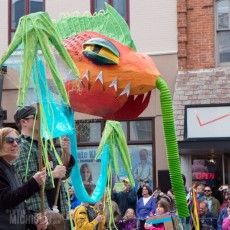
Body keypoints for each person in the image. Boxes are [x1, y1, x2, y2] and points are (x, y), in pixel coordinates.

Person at [14, 106, 75, 228]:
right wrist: (54, 174)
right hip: (39, 214)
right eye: (37, 117)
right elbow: (27, 180)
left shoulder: (46, 144)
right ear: (23, 122)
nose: (42, 120)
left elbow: (63, 175)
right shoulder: (21, 145)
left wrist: (67, 155)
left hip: (57, 209)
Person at [0, 127, 48, 230]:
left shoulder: (12, 169)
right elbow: (6, 200)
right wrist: (34, 183)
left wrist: (34, 222)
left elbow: (19, 207)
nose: (15, 144)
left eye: (18, 140)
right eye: (9, 140)